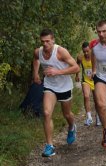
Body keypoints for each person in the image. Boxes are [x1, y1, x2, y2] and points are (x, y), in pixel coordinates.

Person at [33, 29, 80, 157]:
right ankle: (49, 146)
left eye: (48, 41)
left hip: (64, 86)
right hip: (50, 86)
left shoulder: (60, 51)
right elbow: (36, 59)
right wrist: (35, 73)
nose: (45, 44)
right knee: (47, 113)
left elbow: (76, 67)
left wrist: (57, 72)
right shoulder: (38, 51)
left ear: (53, 40)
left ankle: (71, 127)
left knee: (67, 114)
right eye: (43, 42)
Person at [75, 41, 101, 126]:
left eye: (87, 51)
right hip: (86, 80)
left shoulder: (96, 57)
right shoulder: (80, 58)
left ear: (91, 50)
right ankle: (89, 117)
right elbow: (77, 65)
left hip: (95, 80)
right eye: (84, 51)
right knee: (86, 96)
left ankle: (98, 117)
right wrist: (77, 75)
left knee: (96, 99)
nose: (86, 53)